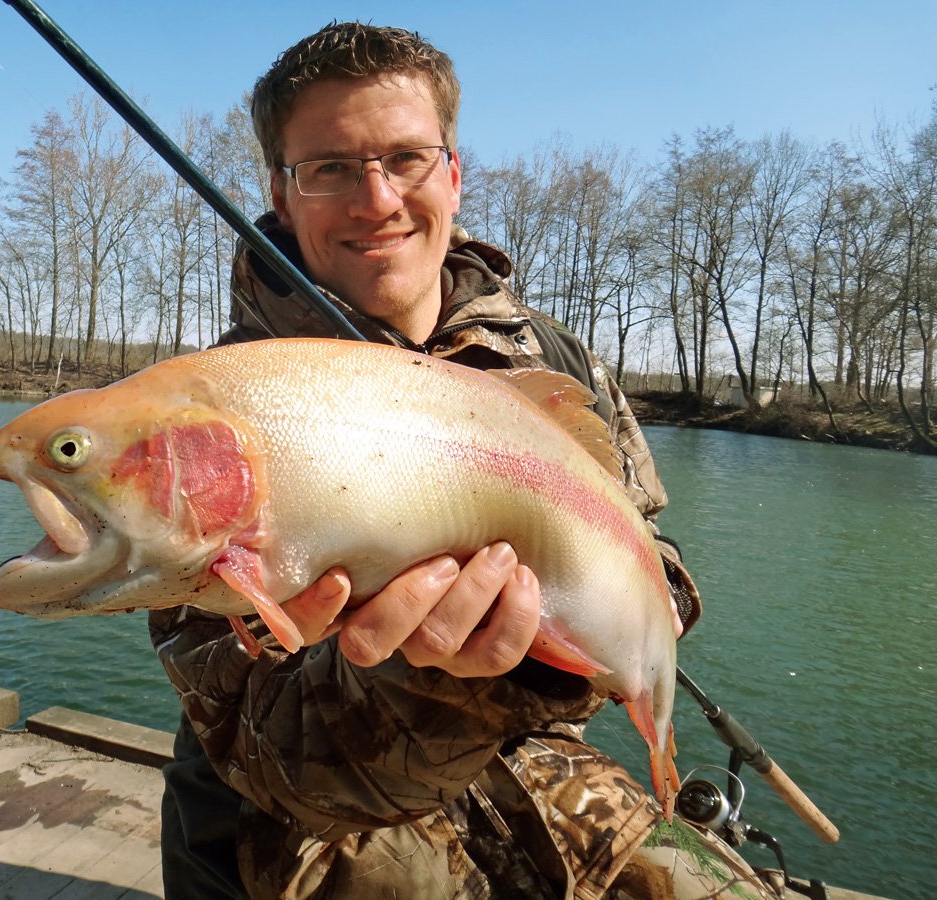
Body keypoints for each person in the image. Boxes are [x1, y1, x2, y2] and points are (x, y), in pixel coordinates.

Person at [149, 22, 779, 899]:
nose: (376, 200)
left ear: (453, 171)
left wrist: (638, 610)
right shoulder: (207, 424)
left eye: (406, 158)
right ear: (280, 195)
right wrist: (447, 675)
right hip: (296, 833)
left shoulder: (554, 363)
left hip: (542, 774)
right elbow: (279, 758)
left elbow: (649, 547)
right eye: (329, 168)